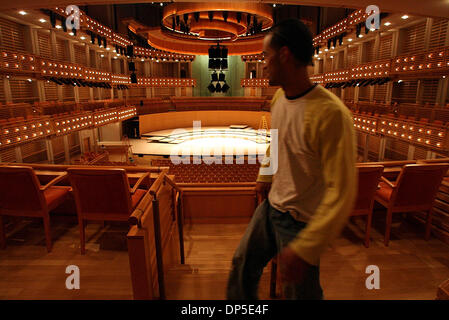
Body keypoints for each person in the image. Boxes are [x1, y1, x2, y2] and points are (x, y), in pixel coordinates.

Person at [226, 19, 357, 300]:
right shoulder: (279, 100)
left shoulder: (330, 114)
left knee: (299, 294)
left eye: (265, 57)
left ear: (284, 55)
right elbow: (277, 143)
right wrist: (265, 176)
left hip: (302, 221)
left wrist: (307, 247)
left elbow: (342, 191)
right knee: (241, 266)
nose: (262, 65)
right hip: (272, 207)